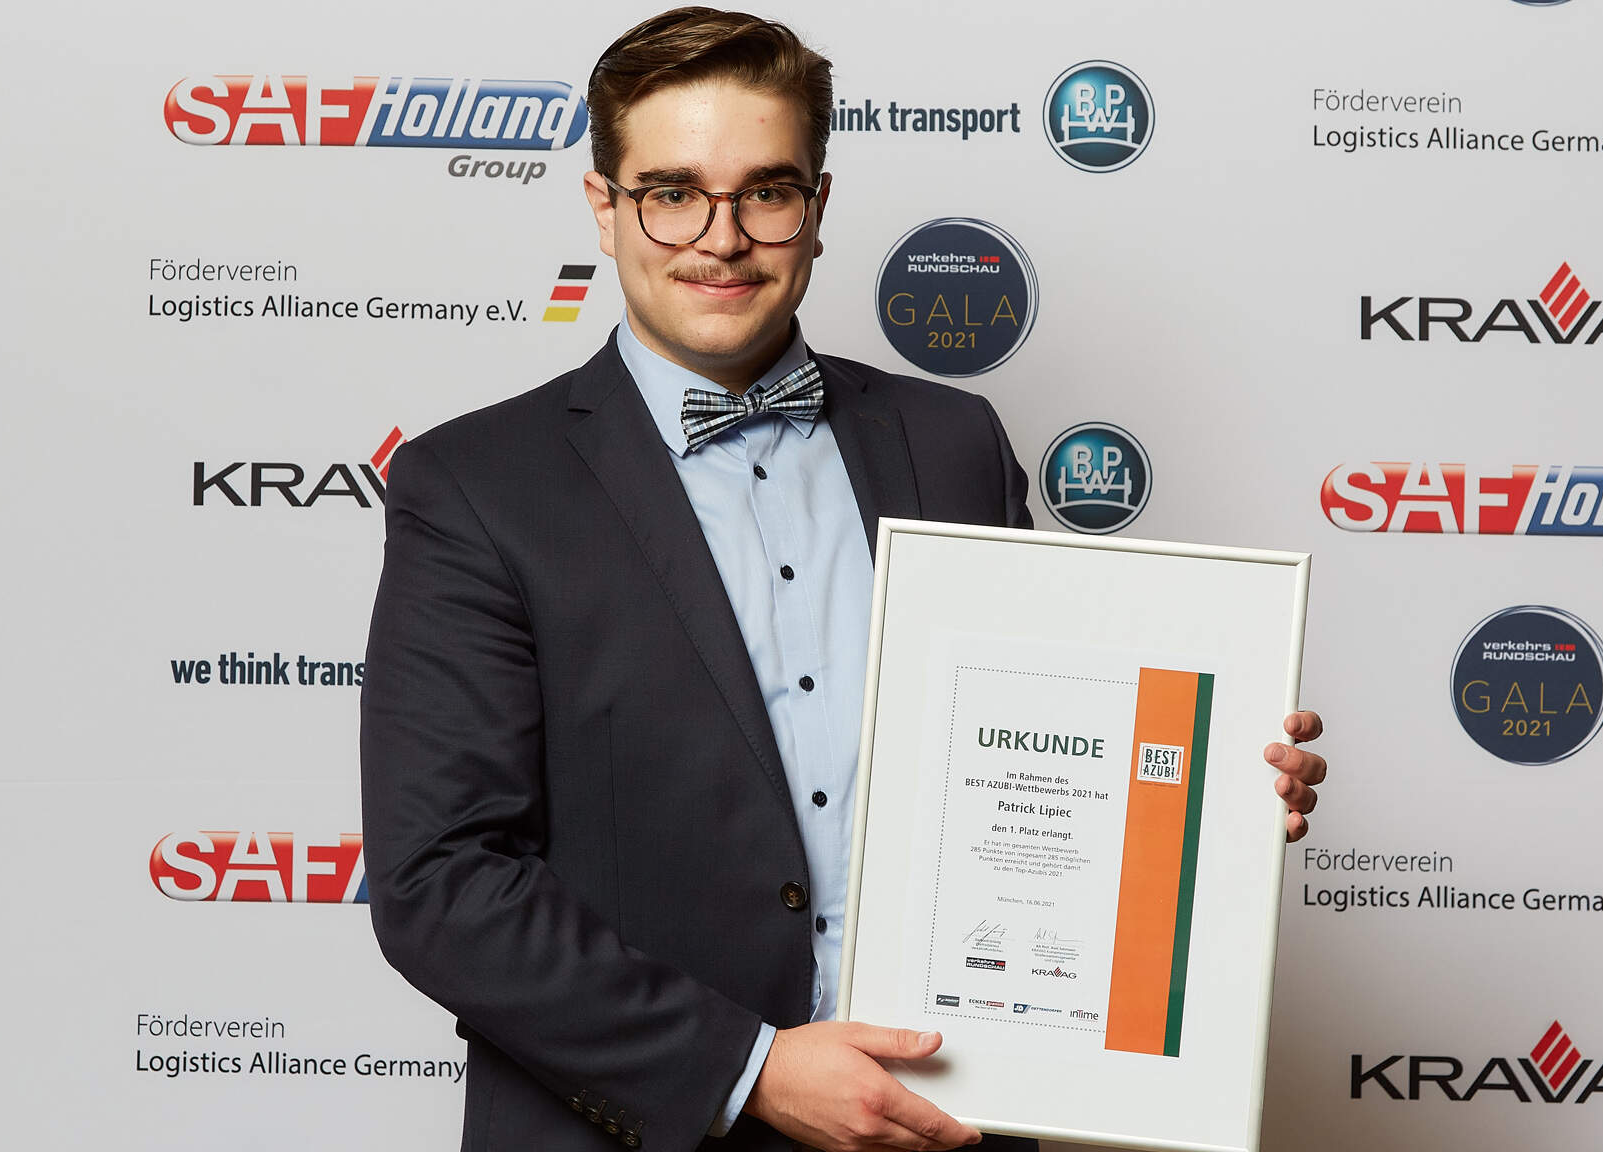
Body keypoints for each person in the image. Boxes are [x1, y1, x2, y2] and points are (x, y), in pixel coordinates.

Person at [359, 9, 1327, 1152]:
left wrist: (1205, 801)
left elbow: (1048, 758)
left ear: (815, 209)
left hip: (944, 1117)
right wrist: (750, 1071)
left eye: (764, 192)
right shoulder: (475, 486)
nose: (720, 238)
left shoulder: (952, 443)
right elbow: (441, 885)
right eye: (671, 193)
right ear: (604, 210)